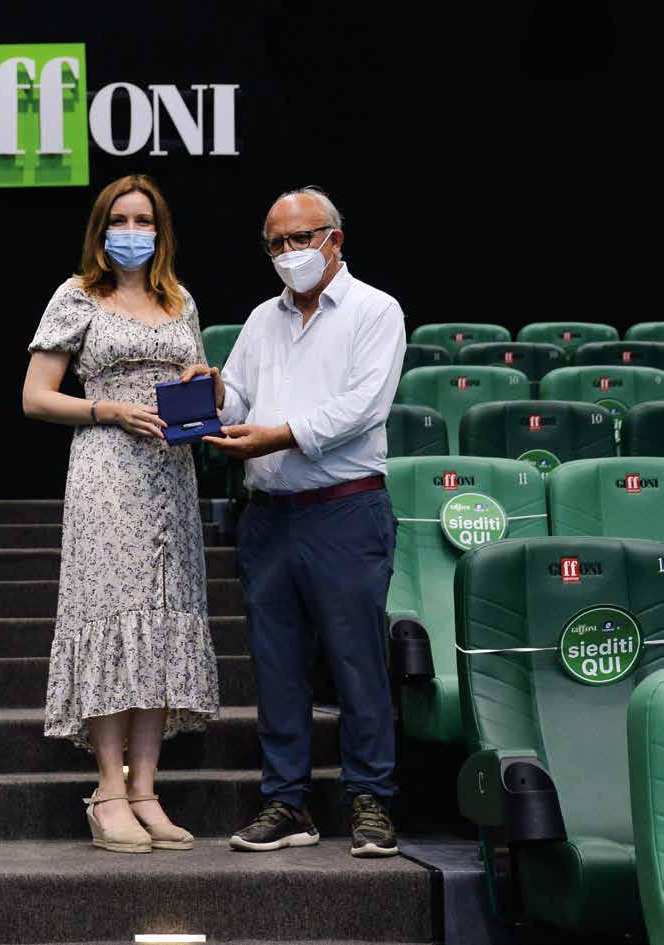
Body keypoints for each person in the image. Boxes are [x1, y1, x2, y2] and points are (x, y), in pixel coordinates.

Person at [181, 186, 406, 857]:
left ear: (335, 240)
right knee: (276, 667)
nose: (288, 252)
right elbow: (240, 403)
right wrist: (215, 393)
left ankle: (371, 799)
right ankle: (286, 802)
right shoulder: (261, 319)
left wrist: (278, 434)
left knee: (356, 660)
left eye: (300, 238)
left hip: (345, 510)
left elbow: (364, 407)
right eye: (275, 242)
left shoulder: (375, 310)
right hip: (269, 518)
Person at [22, 174, 219, 854]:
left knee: (161, 622)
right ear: (101, 228)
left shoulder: (179, 299)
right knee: (112, 616)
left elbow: (198, 379)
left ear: (160, 231)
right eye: (120, 219)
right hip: (107, 467)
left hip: (172, 473)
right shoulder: (77, 294)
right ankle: (108, 790)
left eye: (143, 220)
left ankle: (145, 791)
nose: (132, 231)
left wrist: (209, 385)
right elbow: (35, 396)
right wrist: (106, 409)